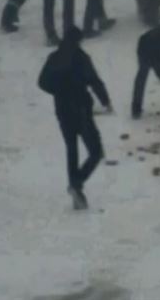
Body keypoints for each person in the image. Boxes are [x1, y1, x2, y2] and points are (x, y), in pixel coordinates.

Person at [38, 25, 112, 210]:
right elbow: (94, 80)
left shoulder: (54, 58)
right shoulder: (81, 58)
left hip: (62, 109)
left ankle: (75, 189)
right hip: (81, 109)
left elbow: (42, 82)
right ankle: (77, 183)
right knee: (96, 151)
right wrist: (105, 101)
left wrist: (58, 91)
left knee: (72, 148)